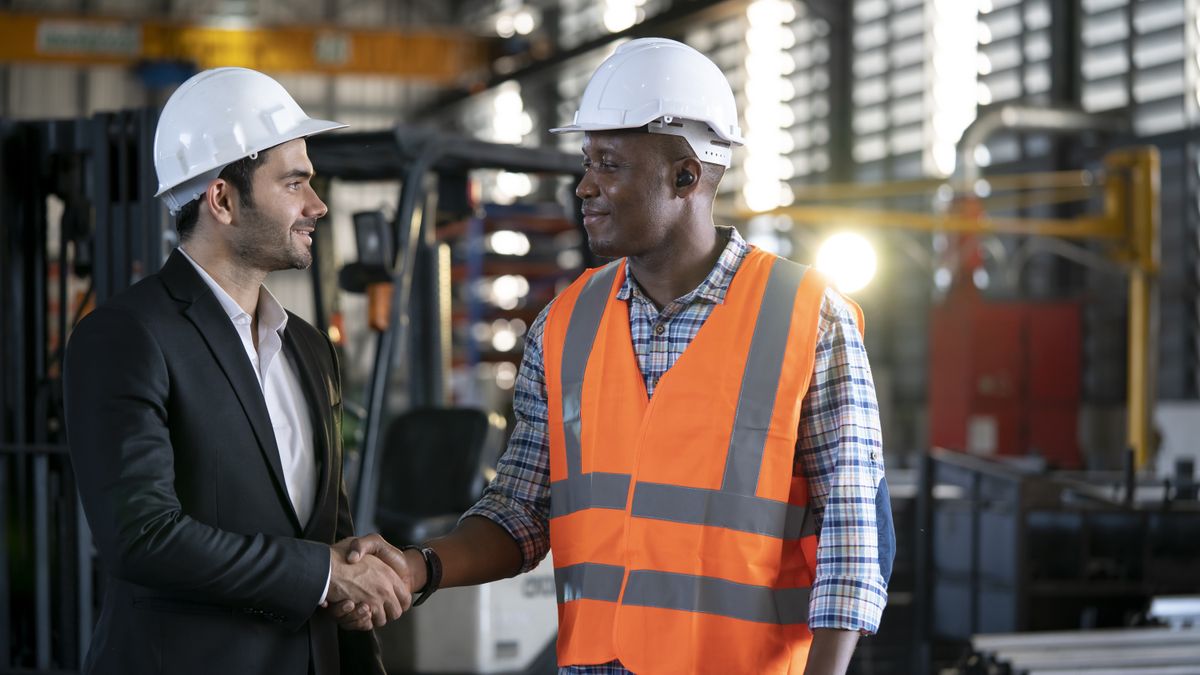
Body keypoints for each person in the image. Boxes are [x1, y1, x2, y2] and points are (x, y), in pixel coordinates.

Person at [349, 38, 895, 674]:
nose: (585, 186)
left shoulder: (808, 315)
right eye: (587, 161)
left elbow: (853, 537)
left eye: (608, 163)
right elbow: (522, 511)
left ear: (686, 175)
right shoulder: (564, 325)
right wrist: (420, 566)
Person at [63, 67, 404, 675]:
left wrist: (347, 577)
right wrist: (324, 574)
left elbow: (328, 531)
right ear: (221, 198)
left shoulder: (306, 345)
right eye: (295, 183)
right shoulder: (126, 335)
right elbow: (141, 537)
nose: (316, 205)